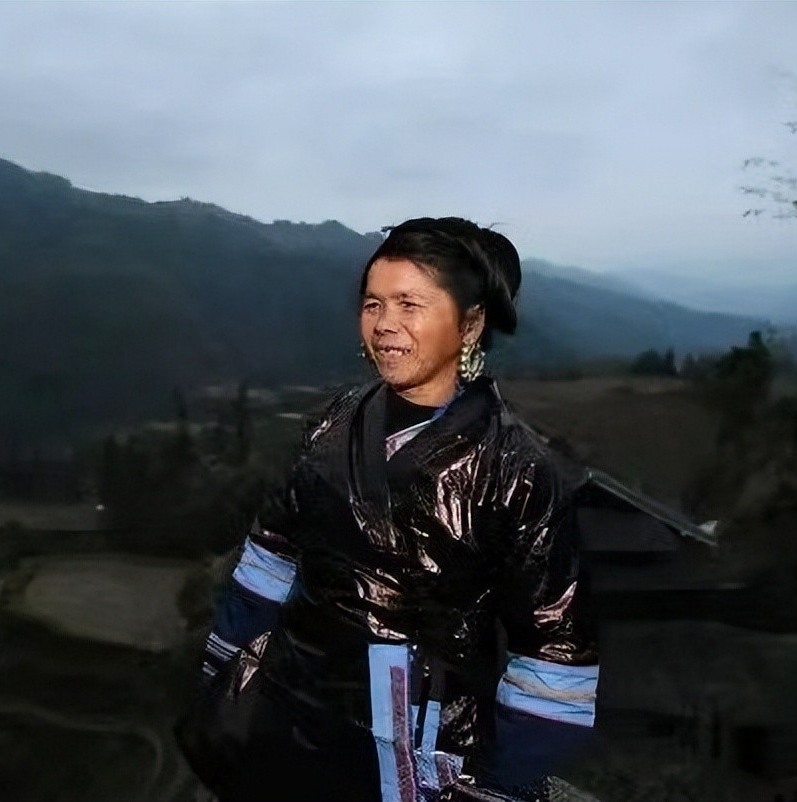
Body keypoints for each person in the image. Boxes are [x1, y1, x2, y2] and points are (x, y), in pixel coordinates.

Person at [176, 217, 598, 802]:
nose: (384, 324)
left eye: (409, 304)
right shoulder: (332, 424)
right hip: (287, 711)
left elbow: (552, 645)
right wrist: (224, 670)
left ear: (470, 324)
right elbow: (268, 559)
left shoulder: (516, 469)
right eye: (373, 304)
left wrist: (504, 780)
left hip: (419, 739)